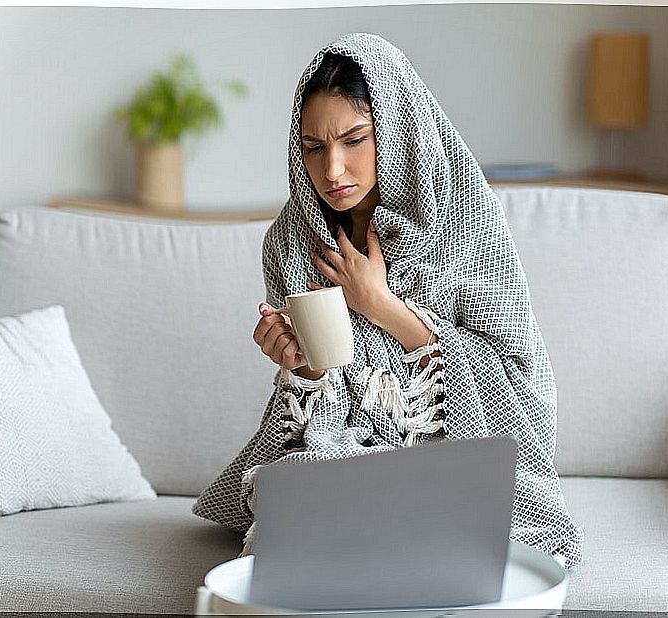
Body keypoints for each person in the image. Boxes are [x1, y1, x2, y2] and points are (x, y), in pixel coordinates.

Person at [193, 32, 584, 569]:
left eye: (355, 140)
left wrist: (381, 305)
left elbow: (516, 389)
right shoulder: (291, 242)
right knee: (295, 503)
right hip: (345, 454)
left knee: (483, 524)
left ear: (398, 130)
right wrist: (301, 370)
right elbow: (310, 421)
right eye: (313, 147)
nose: (332, 170)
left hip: (455, 449)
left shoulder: (463, 218)